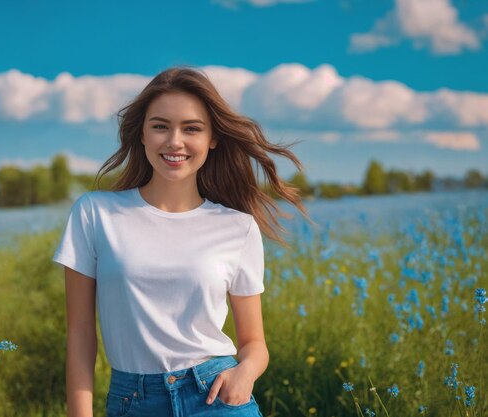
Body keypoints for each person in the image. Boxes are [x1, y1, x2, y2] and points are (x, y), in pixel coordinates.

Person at [52, 66, 311, 417]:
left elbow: (255, 344)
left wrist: (244, 373)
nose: (175, 141)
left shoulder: (238, 227)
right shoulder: (95, 214)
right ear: (142, 134)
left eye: (192, 128)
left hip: (217, 398)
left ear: (212, 138)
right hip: (134, 402)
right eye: (160, 126)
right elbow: (81, 336)